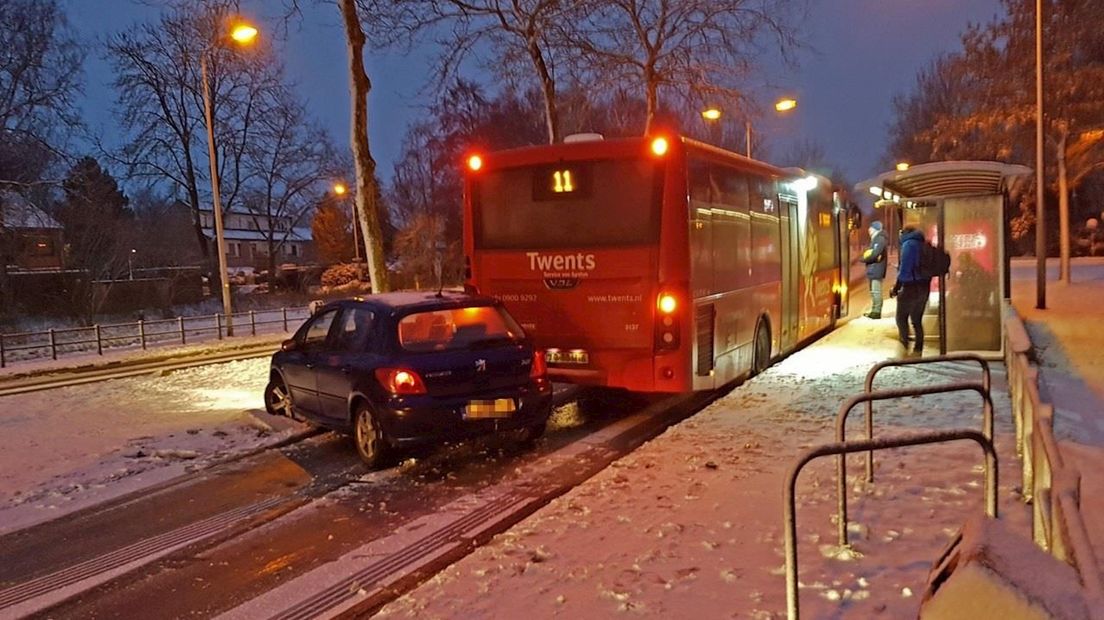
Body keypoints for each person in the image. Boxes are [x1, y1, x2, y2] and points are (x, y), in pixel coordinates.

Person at [890, 225, 931, 356]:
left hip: (911, 287)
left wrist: (896, 287)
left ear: (905, 233)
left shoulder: (909, 245)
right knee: (917, 320)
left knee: (901, 318)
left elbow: (905, 270)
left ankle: (903, 348)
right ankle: (918, 350)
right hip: (924, 286)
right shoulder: (922, 244)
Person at [861, 220, 888, 318]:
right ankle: (874, 310)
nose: (869, 230)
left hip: (876, 268)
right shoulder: (876, 239)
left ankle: (876, 312)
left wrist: (864, 258)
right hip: (874, 268)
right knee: (873, 290)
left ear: (875, 229)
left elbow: (875, 253)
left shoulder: (879, 239)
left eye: (871, 228)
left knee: (876, 290)